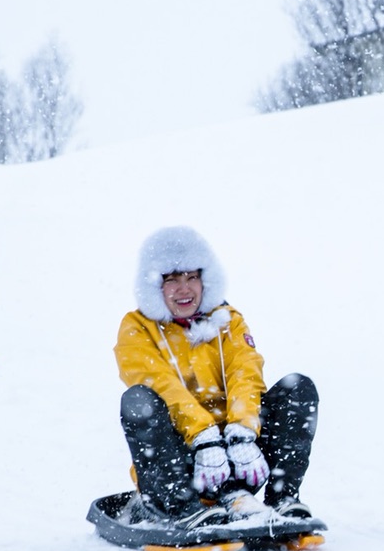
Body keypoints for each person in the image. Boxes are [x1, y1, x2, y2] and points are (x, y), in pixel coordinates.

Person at [113, 226, 317, 533]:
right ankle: (179, 507)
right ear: (155, 285)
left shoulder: (227, 320)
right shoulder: (136, 328)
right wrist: (203, 436)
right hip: (180, 460)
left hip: (239, 457)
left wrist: (242, 432)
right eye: (172, 279)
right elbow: (161, 385)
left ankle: (282, 500)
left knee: (298, 388)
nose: (184, 289)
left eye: (191, 277)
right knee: (139, 400)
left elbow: (245, 373)